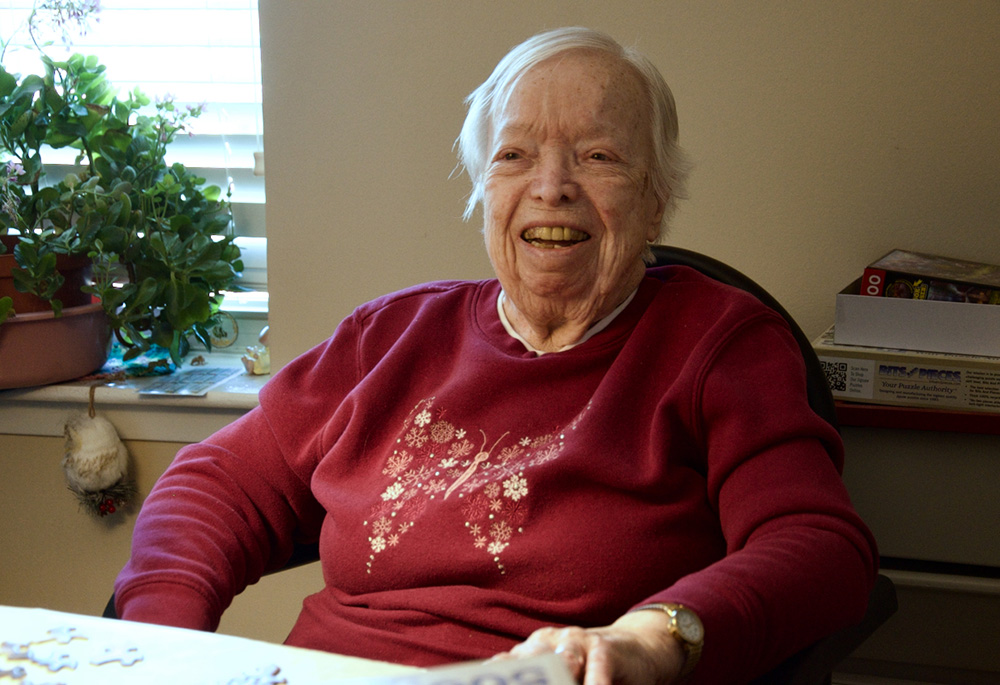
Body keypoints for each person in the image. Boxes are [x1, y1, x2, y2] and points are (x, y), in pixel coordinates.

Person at [114, 27, 878, 684]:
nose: (552, 187)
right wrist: (162, 646)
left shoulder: (717, 343)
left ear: (656, 199)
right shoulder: (391, 336)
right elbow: (213, 485)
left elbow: (820, 547)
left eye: (599, 155)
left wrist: (657, 635)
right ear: (484, 190)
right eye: (514, 155)